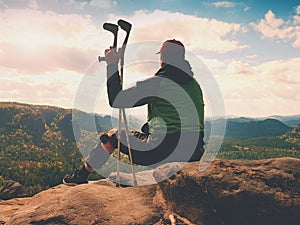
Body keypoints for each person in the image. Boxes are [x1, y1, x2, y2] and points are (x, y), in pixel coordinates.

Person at [63, 39, 205, 185]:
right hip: (194, 152)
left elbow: (117, 100)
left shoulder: (158, 83)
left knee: (112, 136)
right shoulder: (194, 85)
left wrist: (112, 65)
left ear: (162, 58)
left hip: (164, 152)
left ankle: (81, 176)